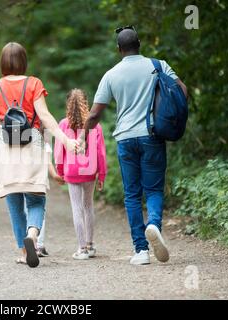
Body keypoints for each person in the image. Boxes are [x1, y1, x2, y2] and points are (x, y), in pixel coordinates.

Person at [79, 27, 187, 265]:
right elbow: (182, 91)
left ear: (119, 49)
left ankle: (141, 251)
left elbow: (95, 113)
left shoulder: (111, 75)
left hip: (126, 139)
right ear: (139, 43)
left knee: (132, 194)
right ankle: (154, 224)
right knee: (154, 189)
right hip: (152, 135)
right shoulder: (158, 65)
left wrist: (84, 136)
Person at [0, 42, 78, 268]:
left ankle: (24, 252)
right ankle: (33, 236)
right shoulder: (33, 83)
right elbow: (44, 116)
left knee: (14, 203)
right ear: (24, 61)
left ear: (2, 62)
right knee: (36, 199)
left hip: (3, 148)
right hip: (31, 145)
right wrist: (66, 140)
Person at [54, 89, 107, 260]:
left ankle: (82, 249)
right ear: (86, 104)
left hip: (71, 171)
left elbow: (58, 151)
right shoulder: (95, 126)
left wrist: (60, 171)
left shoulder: (63, 125)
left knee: (76, 208)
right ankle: (90, 246)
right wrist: (102, 174)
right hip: (89, 171)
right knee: (88, 206)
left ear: (68, 104)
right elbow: (101, 153)